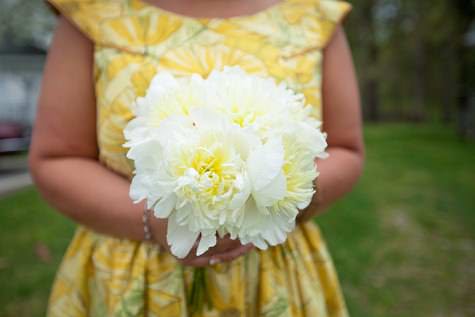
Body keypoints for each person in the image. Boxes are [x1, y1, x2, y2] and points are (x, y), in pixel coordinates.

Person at [29, 0, 365, 315]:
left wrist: (270, 202)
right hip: (132, 274)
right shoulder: (94, 10)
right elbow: (57, 157)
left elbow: (345, 148)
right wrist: (155, 223)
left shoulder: (314, 14)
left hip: (271, 274)